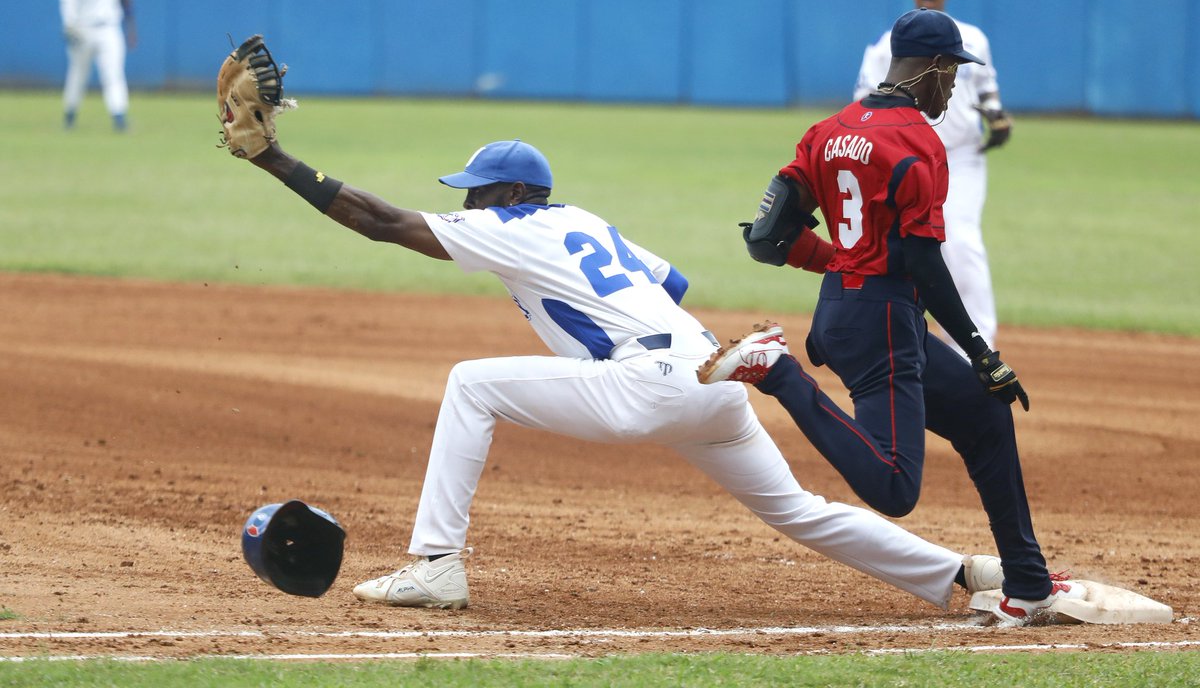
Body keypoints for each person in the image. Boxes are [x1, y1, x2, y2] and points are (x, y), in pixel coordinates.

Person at [231, 134, 1007, 614]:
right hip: (710, 377)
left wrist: (272, 158)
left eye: (474, 192)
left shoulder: (511, 224)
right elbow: (672, 287)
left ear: (508, 195)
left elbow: (378, 222)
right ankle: (963, 571)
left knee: (471, 382)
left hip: (647, 384)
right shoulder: (586, 222)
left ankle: (435, 566)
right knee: (797, 509)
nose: (466, 204)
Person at [700, 8, 1071, 626]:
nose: (952, 87)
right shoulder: (918, 142)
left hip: (853, 308)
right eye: (951, 72)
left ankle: (1028, 585)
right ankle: (777, 370)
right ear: (929, 66)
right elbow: (923, 261)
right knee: (895, 486)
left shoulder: (828, 130)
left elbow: (768, 237)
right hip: (883, 322)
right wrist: (984, 353)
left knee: (984, 413)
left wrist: (845, 265)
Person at [854, 0, 1011, 355]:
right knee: (903, 247)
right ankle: (903, 337)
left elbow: (986, 87)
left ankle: (975, 347)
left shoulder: (973, 39)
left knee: (961, 242)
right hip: (905, 161)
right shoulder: (888, 43)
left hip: (960, 157)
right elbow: (863, 99)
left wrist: (996, 118)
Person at [59, 0, 138, 132]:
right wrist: (69, 24)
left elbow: (127, 0)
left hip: (109, 28)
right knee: (78, 73)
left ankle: (119, 117)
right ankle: (69, 115)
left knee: (113, 74)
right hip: (83, 29)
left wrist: (131, 30)